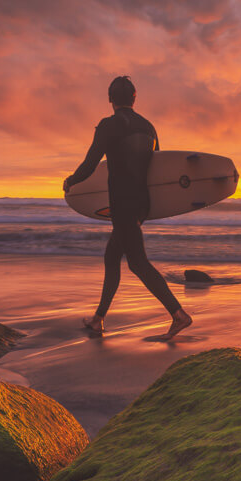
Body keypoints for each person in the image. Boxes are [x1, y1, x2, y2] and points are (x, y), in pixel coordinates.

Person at [63, 76, 192, 339]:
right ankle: (98, 318)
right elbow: (158, 169)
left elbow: (90, 164)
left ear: (110, 99)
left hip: (121, 203)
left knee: (137, 263)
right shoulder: (149, 127)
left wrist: (71, 181)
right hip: (142, 203)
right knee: (112, 257)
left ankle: (179, 315)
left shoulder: (109, 125)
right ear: (135, 97)